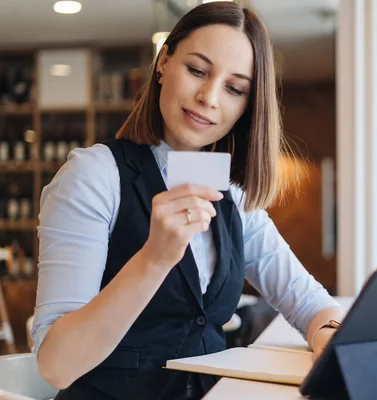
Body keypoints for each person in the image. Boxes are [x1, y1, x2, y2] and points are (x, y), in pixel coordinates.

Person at [31, 2, 343, 399]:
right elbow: (57, 366)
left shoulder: (232, 192)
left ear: (247, 105)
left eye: (234, 88)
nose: (209, 97)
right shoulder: (94, 175)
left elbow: (310, 302)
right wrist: (154, 259)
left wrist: (329, 337)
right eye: (197, 70)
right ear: (163, 62)